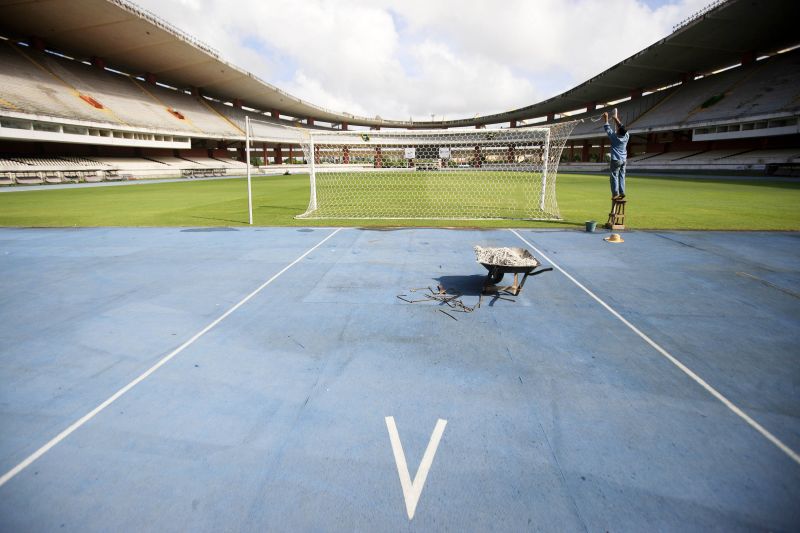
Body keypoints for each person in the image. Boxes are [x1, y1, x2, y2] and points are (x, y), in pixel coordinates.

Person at [602, 109, 629, 200]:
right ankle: (622, 192)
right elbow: (622, 127)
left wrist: (606, 119)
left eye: (617, 130)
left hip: (616, 159)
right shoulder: (627, 136)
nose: (616, 130)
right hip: (624, 160)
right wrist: (616, 118)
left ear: (618, 131)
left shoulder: (614, 138)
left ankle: (615, 193)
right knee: (622, 176)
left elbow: (608, 129)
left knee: (614, 175)